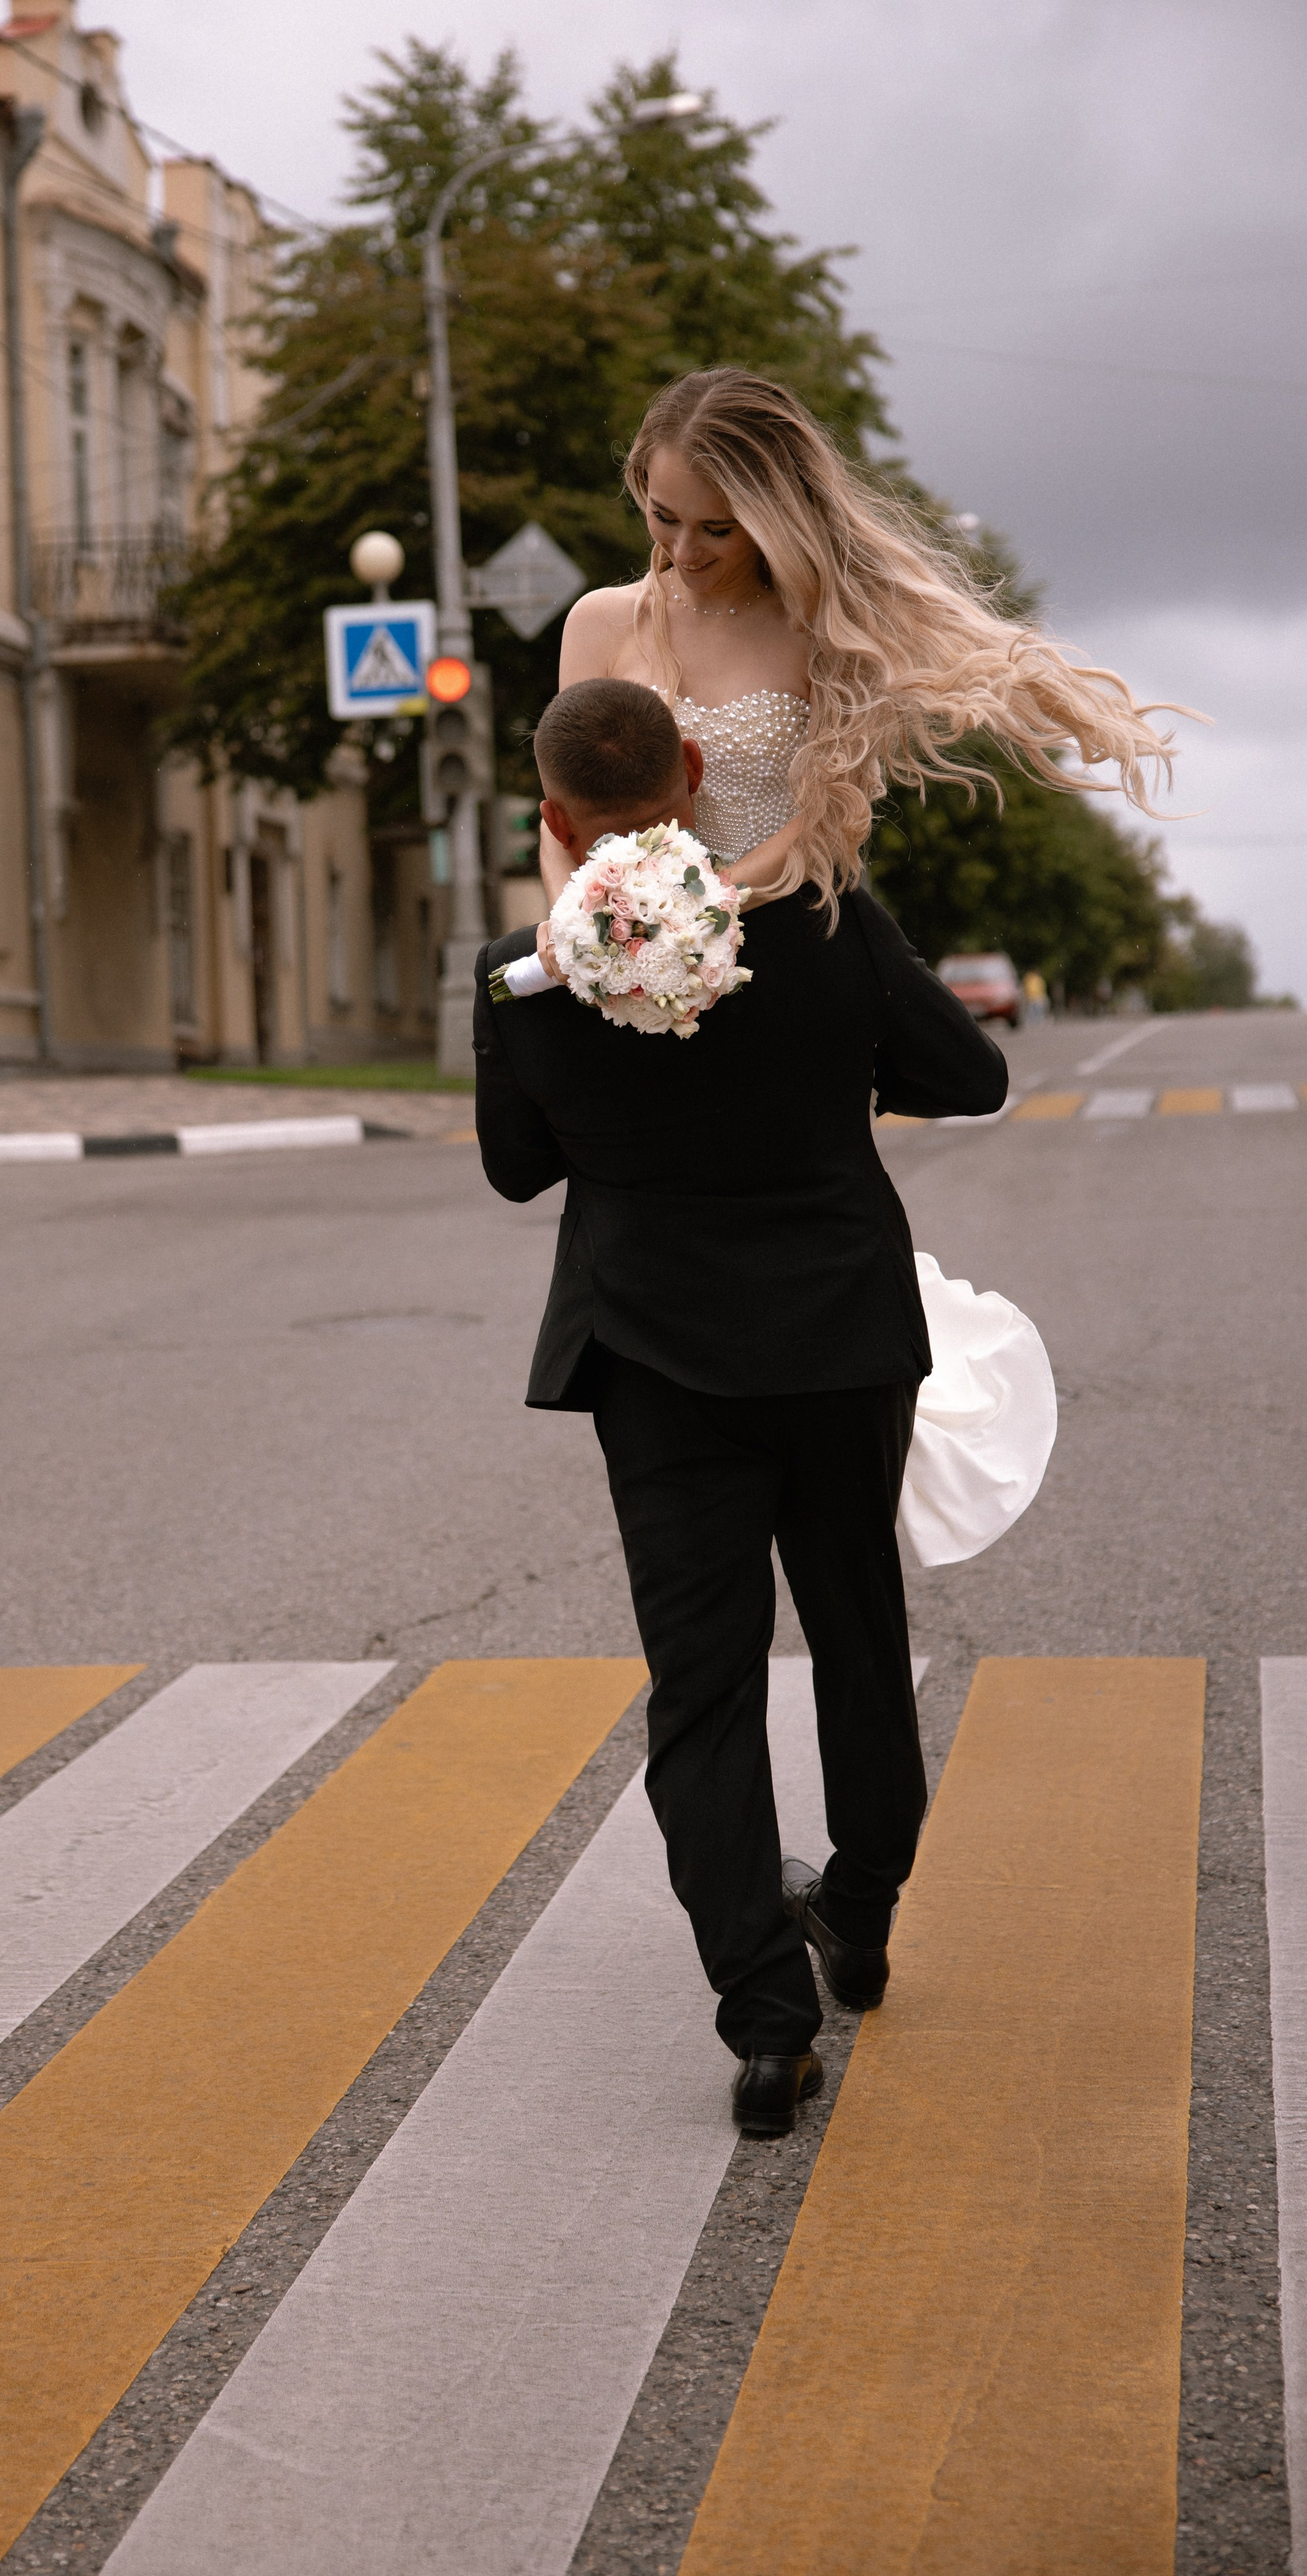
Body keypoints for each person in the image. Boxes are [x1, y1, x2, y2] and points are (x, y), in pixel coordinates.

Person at [476, 368, 1180, 2140]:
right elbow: (590, 821)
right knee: (847, 1627)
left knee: (741, 1660)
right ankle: (835, 1931)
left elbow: (814, 843)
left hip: (752, 995)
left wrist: (725, 940)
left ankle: (795, 1969)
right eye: (661, 516)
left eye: (714, 527)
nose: (682, 554)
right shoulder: (598, 622)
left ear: (778, 519)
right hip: (691, 1024)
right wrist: (598, 960)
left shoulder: (832, 634)